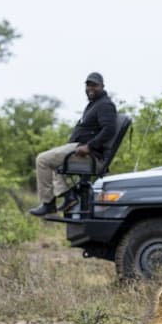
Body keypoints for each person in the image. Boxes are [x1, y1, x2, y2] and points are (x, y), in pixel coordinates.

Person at [29, 72, 118, 216]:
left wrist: (89, 146)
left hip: (91, 156)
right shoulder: (94, 104)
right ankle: (69, 196)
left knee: (42, 160)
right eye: (88, 85)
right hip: (80, 149)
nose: (90, 88)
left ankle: (49, 204)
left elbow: (109, 129)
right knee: (52, 160)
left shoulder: (105, 105)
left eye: (94, 85)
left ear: (102, 86)